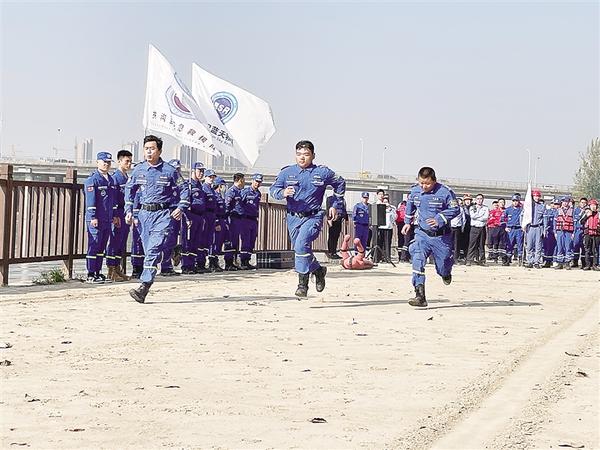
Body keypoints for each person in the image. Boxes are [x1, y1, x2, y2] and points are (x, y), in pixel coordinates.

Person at [269, 140, 345, 298]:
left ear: (313, 155)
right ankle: (318, 270)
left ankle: (302, 285)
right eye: (299, 154)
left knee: (302, 244)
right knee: (300, 249)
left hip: (313, 216)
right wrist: (282, 193)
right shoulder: (287, 172)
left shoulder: (322, 172)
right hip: (293, 217)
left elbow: (340, 182)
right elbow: (273, 189)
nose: (302, 158)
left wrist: (335, 205)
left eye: (306, 154)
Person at [124, 135, 190, 303]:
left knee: (153, 250)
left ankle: (144, 286)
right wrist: (129, 210)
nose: (149, 152)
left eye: (152, 149)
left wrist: (180, 208)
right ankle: (169, 252)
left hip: (162, 215)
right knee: (149, 251)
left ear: (159, 151)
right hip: (144, 216)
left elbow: (184, 189)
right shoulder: (139, 170)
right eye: (146, 149)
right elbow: (129, 190)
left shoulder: (169, 170)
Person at [402, 166, 459, 307]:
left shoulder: (445, 192)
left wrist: (440, 219)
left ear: (434, 180)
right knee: (417, 258)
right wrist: (407, 222)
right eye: (421, 183)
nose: (424, 186)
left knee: (443, 266)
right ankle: (420, 295)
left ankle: (446, 273)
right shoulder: (415, 191)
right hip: (422, 234)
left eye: (427, 183)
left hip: (441, 237)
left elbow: (455, 208)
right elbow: (410, 206)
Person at [84, 151, 118, 283]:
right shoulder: (92, 180)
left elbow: (113, 201)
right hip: (96, 219)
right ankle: (90, 273)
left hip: (107, 219)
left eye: (108, 162)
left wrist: (114, 215)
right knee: (94, 245)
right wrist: (93, 217)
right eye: (104, 162)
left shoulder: (111, 180)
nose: (106, 164)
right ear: (97, 162)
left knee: (102, 247)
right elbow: (90, 201)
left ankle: (98, 272)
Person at [106, 149, 132, 282]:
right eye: (127, 161)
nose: (129, 164)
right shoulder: (115, 178)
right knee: (114, 241)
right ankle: (111, 270)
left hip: (125, 212)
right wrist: (115, 215)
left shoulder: (127, 177)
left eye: (130, 161)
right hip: (118, 212)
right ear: (119, 161)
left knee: (122, 242)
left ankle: (117, 268)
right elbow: (113, 198)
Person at [159, 159, 183, 276]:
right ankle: (165, 266)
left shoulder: (180, 182)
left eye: (178, 169)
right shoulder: (166, 180)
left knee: (173, 240)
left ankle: (169, 265)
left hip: (177, 213)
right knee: (167, 240)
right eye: (175, 169)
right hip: (168, 212)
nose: (176, 171)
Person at [180, 162, 206, 275]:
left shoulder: (200, 185)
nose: (201, 173)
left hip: (199, 216)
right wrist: (186, 217)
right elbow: (184, 202)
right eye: (199, 171)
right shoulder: (188, 185)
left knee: (196, 241)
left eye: (203, 171)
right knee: (188, 241)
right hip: (191, 215)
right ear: (193, 171)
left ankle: (192, 264)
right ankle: (186, 265)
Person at [239, 173, 263, 269]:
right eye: (256, 181)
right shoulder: (245, 191)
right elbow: (240, 204)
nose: (257, 183)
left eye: (259, 182)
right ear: (252, 181)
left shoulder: (258, 193)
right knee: (246, 240)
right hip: (245, 219)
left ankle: (247, 260)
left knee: (252, 240)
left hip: (254, 219)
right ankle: (243, 261)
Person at [196, 169, 217, 272]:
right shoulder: (203, 188)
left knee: (208, 240)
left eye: (213, 177)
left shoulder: (211, 189)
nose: (211, 179)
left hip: (212, 215)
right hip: (206, 214)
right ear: (205, 177)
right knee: (202, 239)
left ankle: (203, 262)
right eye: (210, 177)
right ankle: (199, 262)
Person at [225, 172, 246, 270]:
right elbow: (227, 205)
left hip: (239, 219)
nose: (244, 182)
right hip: (233, 219)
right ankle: (228, 262)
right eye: (244, 180)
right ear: (240, 180)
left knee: (236, 241)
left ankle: (234, 261)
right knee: (231, 240)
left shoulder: (239, 191)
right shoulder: (231, 191)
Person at [208, 176, 227, 272]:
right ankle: (211, 262)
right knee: (214, 242)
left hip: (222, 220)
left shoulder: (220, 196)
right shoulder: (214, 195)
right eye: (222, 185)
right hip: (217, 220)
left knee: (219, 242)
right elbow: (214, 210)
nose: (223, 188)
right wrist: (216, 223)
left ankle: (215, 261)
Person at [524, 190, 545, 268]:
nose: (536, 197)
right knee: (529, 245)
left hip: (538, 227)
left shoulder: (542, 206)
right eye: (535, 196)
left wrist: (544, 229)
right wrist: (523, 226)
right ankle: (530, 261)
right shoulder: (529, 206)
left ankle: (536, 262)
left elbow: (544, 219)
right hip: (530, 227)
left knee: (538, 246)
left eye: (538, 196)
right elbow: (523, 216)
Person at [466, 194, 489, 266]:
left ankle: (482, 260)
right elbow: (472, 216)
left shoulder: (486, 208)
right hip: (474, 228)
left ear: (483, 200)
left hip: (482, 228)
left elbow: (486, 217)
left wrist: (478, 217)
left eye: (481, 199)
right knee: (472, 244)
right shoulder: (472, 207)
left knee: (481, 245)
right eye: (478, 199)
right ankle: (469, 260)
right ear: (475, 200)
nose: (479, 200)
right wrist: (481, 216)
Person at [502, 194, 524, 265]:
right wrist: (505, 227)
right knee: (509, 244)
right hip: (510, 230)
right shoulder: (508, 210)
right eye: (514, 201)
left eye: (516, 201)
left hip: (519, 229)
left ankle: (521, 260)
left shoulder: (522, 210)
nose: (515, 202)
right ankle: (508, 260)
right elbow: (502, 219)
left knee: (520, 245)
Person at [554, 195, 575, 270]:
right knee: (560, 246)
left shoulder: (572, 211)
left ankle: (567, 263)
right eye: (564, 201)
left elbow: (575, 223)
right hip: (560, 231)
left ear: (568, 202)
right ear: (561, 202)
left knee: (568, 247)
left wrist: (573, 233)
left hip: (569, 231)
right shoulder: (558, 210)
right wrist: (555, 232)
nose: (565, 203)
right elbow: (554, 222)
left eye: (567, 201)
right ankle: (560, 263)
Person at [580, 199, 599, 271]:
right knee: (587, 250)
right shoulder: (586, 213)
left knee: (595, 250)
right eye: (592, 205)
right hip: (588, 234)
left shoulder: (599, 214)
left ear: (597, 206)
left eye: (595, 205)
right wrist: (587, 216)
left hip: (596, 234)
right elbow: (581, 222)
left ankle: (595, 265)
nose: (593, 207)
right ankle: (587, 265)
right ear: (589, 206)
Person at [326, 194, 347, 259]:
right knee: (332, 236)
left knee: (336, 237)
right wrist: (329, 219)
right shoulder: (330, 198)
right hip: (333, 220)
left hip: (339, 220)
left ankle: (334, 252)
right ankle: (331, 252)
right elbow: (328, 209)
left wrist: (346, 219)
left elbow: (344, 209)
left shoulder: (342, 200)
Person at [377, 194, 396, 262]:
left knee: (387, 243)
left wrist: (390, 209)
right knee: (380, 243)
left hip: (388, 228)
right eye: (384, 200)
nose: (385, 202)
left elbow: (394, 218)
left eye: (387, 200)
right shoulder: (379, 207)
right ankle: (379, 257)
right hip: (381, 227)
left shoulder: (392, 208)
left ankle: (387, 257)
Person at [542, 197, 560, 268]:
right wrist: (545, 230)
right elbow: (545, 222)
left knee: (557, 247)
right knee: (548, 246)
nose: (556, 205)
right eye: (554, 204)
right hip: (550, 231)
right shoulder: (547, 211)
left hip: (558, 231)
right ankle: (547, 261)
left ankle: (555, 261)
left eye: (557, 204)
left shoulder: (560, 211)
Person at [572, 197, 588, 268]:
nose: (583, 204)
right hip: (577, 230)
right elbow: (574, 220)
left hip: (584, 230)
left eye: (584, 203)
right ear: (579, 203)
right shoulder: (576, 210)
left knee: (584, 246)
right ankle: (575, 261)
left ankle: (583, 262)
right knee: (576, 245)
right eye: (582, 202)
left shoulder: (588, 210)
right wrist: (573, 232)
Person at [450, 198, 466, 263]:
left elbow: (463, 219)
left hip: (457, 228)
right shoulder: (449, 209)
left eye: (455, 203)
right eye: (453, 203)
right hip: (450, 228)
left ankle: (455, 258)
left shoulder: (460, 209)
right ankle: (449, 257)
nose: (454, 204)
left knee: (456, 244)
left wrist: (462, 228)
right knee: (449, 243)